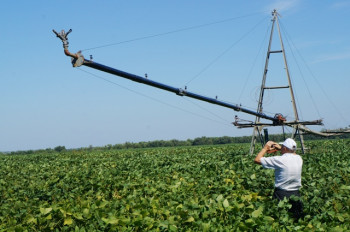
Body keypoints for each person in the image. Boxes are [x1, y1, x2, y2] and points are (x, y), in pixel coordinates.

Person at [254, 138, 304, 220]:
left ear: (284, 148)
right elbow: (291, 153)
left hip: (281, 194)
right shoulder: (299, 158)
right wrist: (281, 148)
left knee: (279, 219)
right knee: (296, 219)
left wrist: (265, 148)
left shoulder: (279, 159)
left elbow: (257, 160)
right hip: (296, 194)